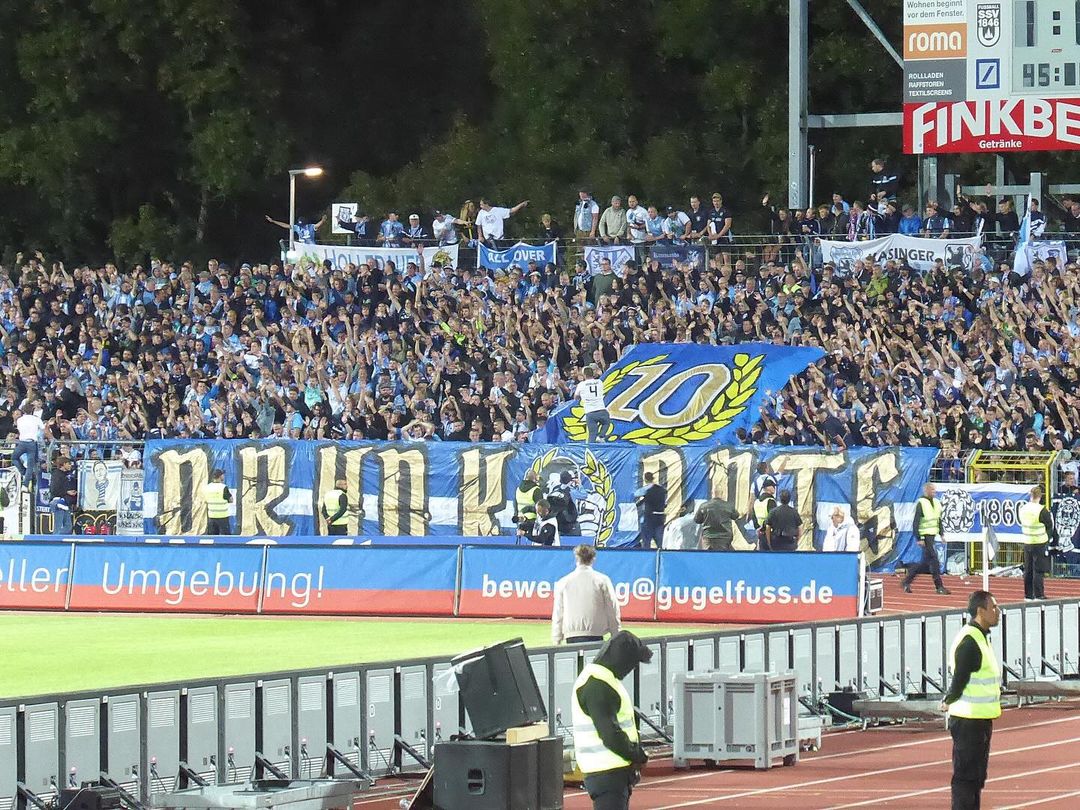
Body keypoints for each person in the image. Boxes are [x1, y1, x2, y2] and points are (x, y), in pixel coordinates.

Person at [572, 631, 652, 810]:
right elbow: (610, 734)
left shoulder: (601, 679)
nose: (632, 669)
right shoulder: (598, 685)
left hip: (609, 773)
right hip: (607, 773)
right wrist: (638, 755)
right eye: (633, 663)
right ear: (623, 659)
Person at [941, 590, 1001, 810]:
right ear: (980, 611)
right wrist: (949, 699)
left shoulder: (981, 637)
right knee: (966, 778)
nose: (998, 612)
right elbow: (960, 678)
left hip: (980, 719)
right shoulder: (970, 641)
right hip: (967, 719)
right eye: (993, 607)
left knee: (976, 778)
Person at [551, 544, 621, 645]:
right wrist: (616, 633)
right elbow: (612, 608)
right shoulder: (602, 580)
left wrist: (556, 638)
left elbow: (558, 612)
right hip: (596, 632)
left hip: (572, 634)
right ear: (593, 559)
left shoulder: (563, 582)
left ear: (576, 558)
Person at [902, 483, 951, 595]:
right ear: (926, 490)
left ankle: (907, 580)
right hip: (925, 536)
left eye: (934, 489)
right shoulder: (921, 503)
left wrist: (942, 534)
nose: (934, 491)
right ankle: (939, 587)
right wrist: (919, 537)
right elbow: (916, 522)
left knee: (924, 564)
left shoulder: (937, 503)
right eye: (932, 489)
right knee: (935, 561)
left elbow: (938, 520)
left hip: (932, 536)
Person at [1018, 485, 1057, 600]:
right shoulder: (1042, 510)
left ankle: (1028, 595)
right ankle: (1039, 594)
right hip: (1040, 542)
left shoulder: (1023, 508)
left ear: (1030, 495)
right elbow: (1049, 526)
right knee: (1038, 570)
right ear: (1040, 496)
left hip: (1027, 542)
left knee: (1028, 569)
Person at [12, 402, 45, 490]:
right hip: (31, 443)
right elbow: (42, 428)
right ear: (33, 410)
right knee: (30, 465)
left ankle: (24, 473)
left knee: (14, 457)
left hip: (22, 442)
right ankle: (25, 484)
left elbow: (19, 429)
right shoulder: (36, 419)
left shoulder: (20, 420)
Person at [575, 366, 610, 443]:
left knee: (592, 433)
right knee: (606, 423)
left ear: (584, 375)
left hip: (590, 412)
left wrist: (582, 396)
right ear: (593, 373)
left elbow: (576, 397)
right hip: (601, 409)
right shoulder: (599, 382)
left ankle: (590, 451)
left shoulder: (581, 385)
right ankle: (601, 436)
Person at [634, 472, 666, 548]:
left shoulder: (645, 489)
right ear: (653, 478)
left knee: (646, 542)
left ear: (645, 479)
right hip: (660, 517)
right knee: (660, 541)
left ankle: (646, 557)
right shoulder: (661, 489)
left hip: (649, 518)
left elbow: (636, 494)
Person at [201, 468, 233, 535]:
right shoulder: (223, 487)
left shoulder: (207, 487)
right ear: (220, 476)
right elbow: (230, 500)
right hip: (223, 517)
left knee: (212, 538)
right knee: (227, 538)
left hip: (212, 516)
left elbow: (205, 500)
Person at [514, 469, 541, 538]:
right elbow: (540, 508)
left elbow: (515, 506)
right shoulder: (536, 490)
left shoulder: (518, 489)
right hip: (532, 521)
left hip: (521, 520)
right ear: (535, 479)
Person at [749, 480, 777, 548]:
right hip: (770, 533)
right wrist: (763, 528)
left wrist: (758, 529)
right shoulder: (771, 501)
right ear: (767, 488)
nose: (774, 488)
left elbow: (753, 516)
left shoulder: (757, 501)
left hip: (760, 534)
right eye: (773, 486)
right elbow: (772, 517)